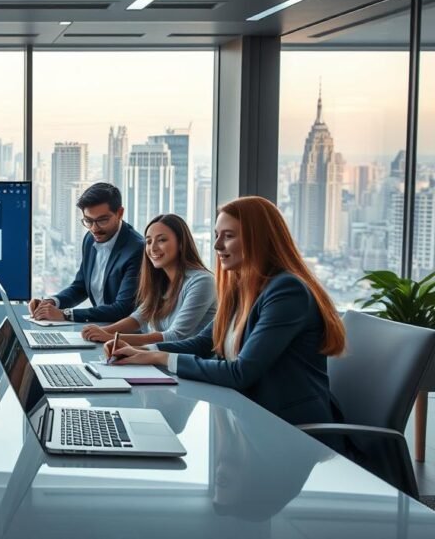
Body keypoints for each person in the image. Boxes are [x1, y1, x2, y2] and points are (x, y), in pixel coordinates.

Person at [106, 196, 346, 427]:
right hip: (247, 416)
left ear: (259, 239)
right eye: (216, 235)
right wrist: (140, 351)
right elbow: (201, 343)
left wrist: (160, 357)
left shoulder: (286, 291)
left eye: (228, 236)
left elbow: (241, 372)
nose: (217, 245)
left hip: (289, 427)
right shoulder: (241, 289)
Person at [81, 214, 216, 345]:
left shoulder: (202, 281)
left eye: (162, 240)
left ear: (181, 243)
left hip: (187, 363)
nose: (153, 248)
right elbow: (138, 318)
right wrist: (101, 331)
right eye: (149, 241)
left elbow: (175, 336)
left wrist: (112, 337)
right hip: (159, 359)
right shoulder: (161, 281)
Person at [29, 182, 143, 322]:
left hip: (126, 336)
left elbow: (123, 309)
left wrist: (66, 315)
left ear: (119, 213)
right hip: (98, 328)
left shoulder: (136, 249)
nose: (94, 229)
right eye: (88, 221)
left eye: (102, 220)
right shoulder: (90, 239)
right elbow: (80, 287)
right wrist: (51, 303)